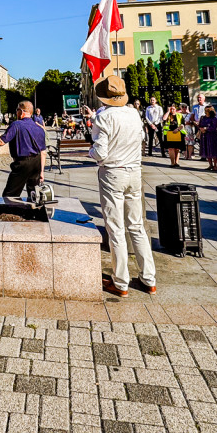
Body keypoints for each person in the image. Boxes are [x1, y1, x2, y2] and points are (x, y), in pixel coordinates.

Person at [86, 75, 155, 298]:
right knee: (136, 226)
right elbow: (142, 139)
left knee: (115, 228)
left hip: (113, 173)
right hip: (134, 172)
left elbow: (101, 152)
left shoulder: (103, 117)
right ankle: (148, 278)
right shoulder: (134, 113)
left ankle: (121, 281)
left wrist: (90, 152)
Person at [0, 101, 46, 199]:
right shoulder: (39, 128)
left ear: (21, 111)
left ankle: (13, 212)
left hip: (23, 163)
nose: (16, 112)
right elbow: (43, 152)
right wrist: (41, 172)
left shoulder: (16, 125)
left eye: (17, 110)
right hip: (37, 163)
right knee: (34, 194)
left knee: (9, 195)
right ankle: (32, 212)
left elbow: (1, 142)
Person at [198, 106, 217, 171]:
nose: (206, 112)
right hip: (204, 136)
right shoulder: (203, 117)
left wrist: (206, 129)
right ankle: (210, 165)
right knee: (207, 150)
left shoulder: (214, 118)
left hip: (212, 136)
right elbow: (199, 125)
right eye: (205, 110)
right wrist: (201, 129)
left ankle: (215, 166)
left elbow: (214, 127)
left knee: (213, 150)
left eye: (208, 110)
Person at [190, 94, 207, 158]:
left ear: (204, 99)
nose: (199, 99)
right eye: (198, 98)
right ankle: (202, 155)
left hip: (204, 126)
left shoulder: (207, 106)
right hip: (197, 126)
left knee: (205, 140)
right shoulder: (195, 107)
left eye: (200, 98)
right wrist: (194, 122)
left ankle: (206, 155)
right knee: (199, 140)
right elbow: (192, 116)